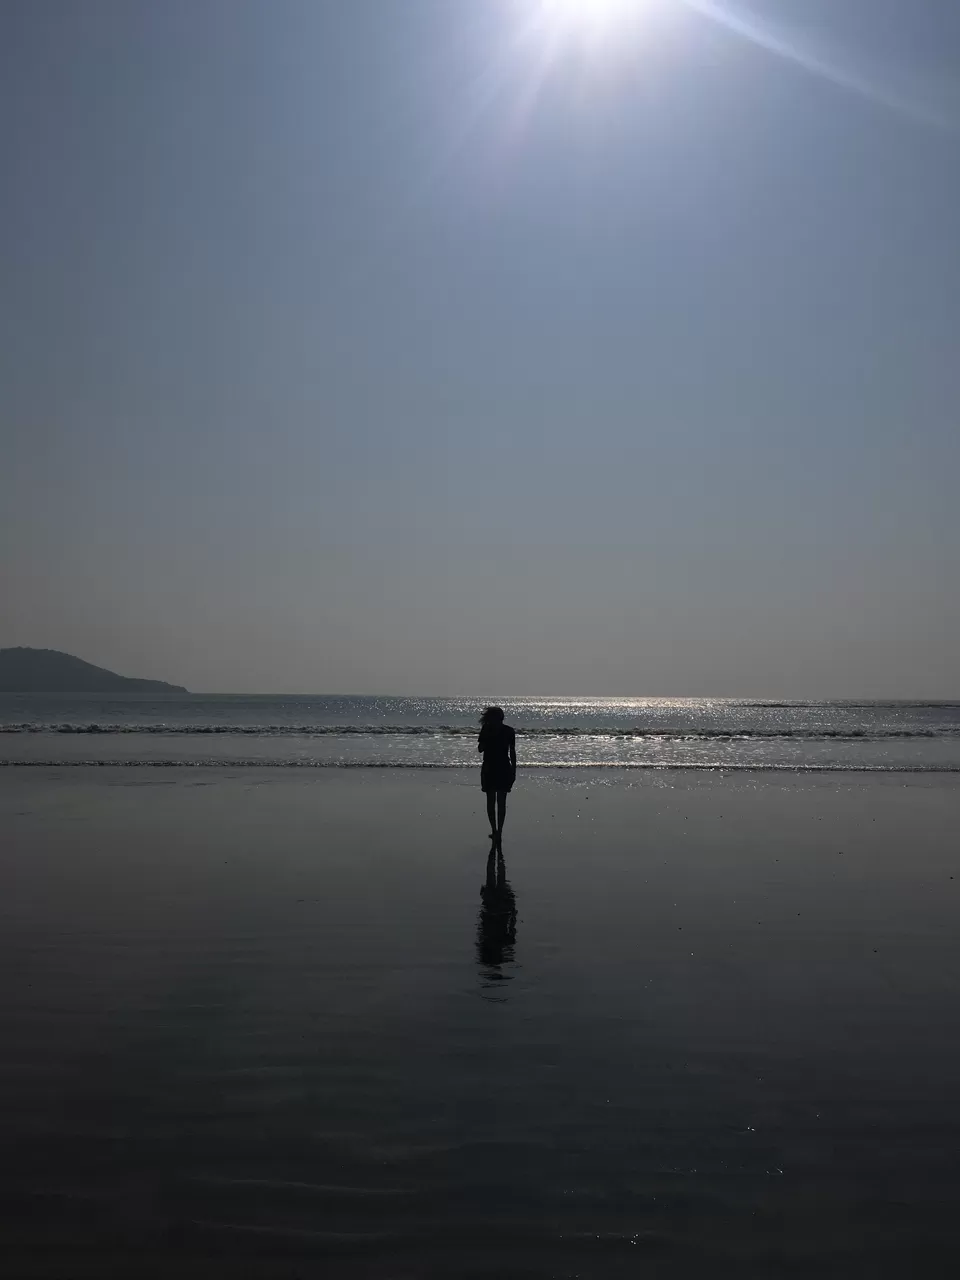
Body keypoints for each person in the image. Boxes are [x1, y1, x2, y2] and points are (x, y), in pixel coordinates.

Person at [478, 706, 516, 841]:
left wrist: (488, 737)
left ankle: (495, 830)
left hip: (490, 767)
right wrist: (514, 770)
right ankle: (498, 831)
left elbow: (480, 749)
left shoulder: (486, 730)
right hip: (504, 767)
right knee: (501, 802)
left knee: (491, 801)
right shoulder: (509, 731)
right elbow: (512, 752)